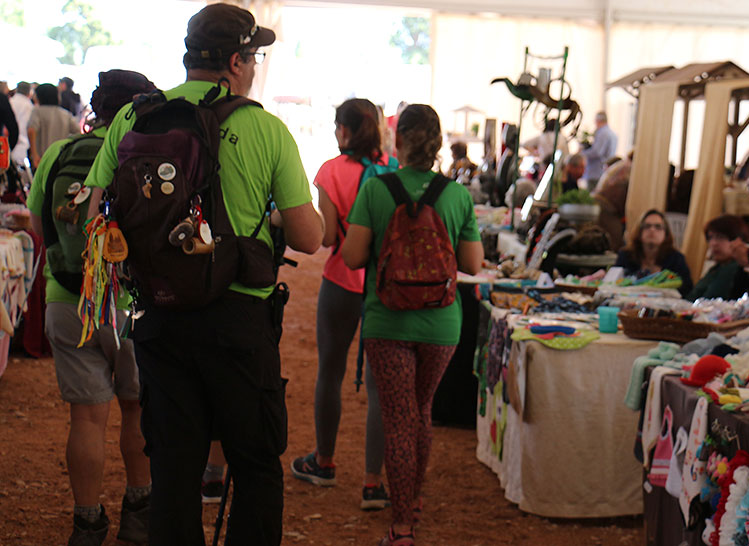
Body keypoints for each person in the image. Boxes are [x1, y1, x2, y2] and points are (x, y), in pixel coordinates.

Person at [83, 4, 324, 545]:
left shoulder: (133, 118)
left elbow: (96, 210)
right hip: (239, 320)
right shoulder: (264, 127)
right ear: (236, 62)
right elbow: (310, 238)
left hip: (159, 315)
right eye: (254, 57)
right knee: (255, 464)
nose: (255, 67)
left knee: (173, 467)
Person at [341, 104, 483, 545]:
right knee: (421, 411)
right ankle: (413, 497)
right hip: (441, 324)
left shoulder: (376, 189)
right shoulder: (457, 196)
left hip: (388, 322)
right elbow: (473, 264)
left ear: (397, 140)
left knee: (399, 419)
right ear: (438, 143)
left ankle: (401, 526)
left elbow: (352, 256)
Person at [26, 69, 156, 546]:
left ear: (96, 109)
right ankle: (139, 514)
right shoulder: (146, 155)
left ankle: (87, 523)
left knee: (85, 418)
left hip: (69, 300)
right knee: (137, 410)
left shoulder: (60, 154)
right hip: (134, 304)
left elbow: (39, 225)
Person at [290, 98, 395, 511]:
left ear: (346, 130)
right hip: (384, 285)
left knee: (330, 372)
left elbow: (330, 238)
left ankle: (325, 461)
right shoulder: (392, 169)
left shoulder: (330, 172)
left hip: (342, 281)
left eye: (337, 125)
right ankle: (373, 483)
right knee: (380, 385)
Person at [616, 209, 693, 295]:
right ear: (639, 231)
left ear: (666, 234)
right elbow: (614, 283)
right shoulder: (625, 255)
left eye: (658, 227)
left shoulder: (676, 259)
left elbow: (687, 289)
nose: (652, 230)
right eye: (647, 226)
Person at [687, 215, 748, 301]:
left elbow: (709, 298)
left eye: (720, 237)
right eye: (710, 238)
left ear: (739, 240)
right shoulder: (717, 267)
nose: (713, 243)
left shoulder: (733, 268)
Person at [27, 83, 80, 168]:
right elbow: (78, 131)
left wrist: (34, 154)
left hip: (43, 158)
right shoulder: (65, 114)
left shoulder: (37, 111)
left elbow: (31, 130)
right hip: (62, 157)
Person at [594, 152, 631, 251]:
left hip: (601, 203)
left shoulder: (622, 166)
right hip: (608, 207)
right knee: (612, 242)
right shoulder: (629, 169)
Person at [581, 111, 617, 191]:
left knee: (592, 193)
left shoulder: (602, 133)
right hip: (604, 170)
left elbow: (597, 152)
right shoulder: (612, 133)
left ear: (598, 120)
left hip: (596, 171)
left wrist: (582, 153)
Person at [9, 82, 34, 169]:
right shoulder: (28, 105)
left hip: (9, 141)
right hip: (22, 144)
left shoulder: (10, 101)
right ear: (29, 92)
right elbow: (25, 127)